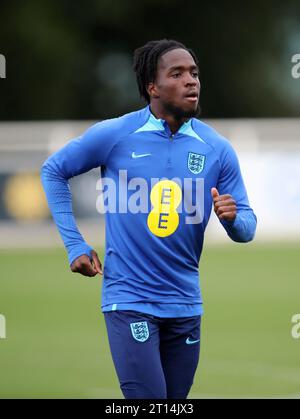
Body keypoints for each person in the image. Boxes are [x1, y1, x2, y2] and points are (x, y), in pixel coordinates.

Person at [41, 39, 257, 399]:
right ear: (152, 88)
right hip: (129, 300)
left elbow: (247, 228)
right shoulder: (116, 134)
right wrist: (74, 243)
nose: (191, 81)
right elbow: (53, 170)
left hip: (186, 304)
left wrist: (232, 219)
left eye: (194, 73)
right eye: (177, 74)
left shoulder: (216, 149)